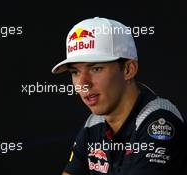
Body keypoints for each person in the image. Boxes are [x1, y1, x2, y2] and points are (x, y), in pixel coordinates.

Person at [51, 17, 187, 175]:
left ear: (129, 69)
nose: (83, 83)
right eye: (75, 72)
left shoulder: (161, 124)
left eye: (96, 69)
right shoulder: (93, 124)